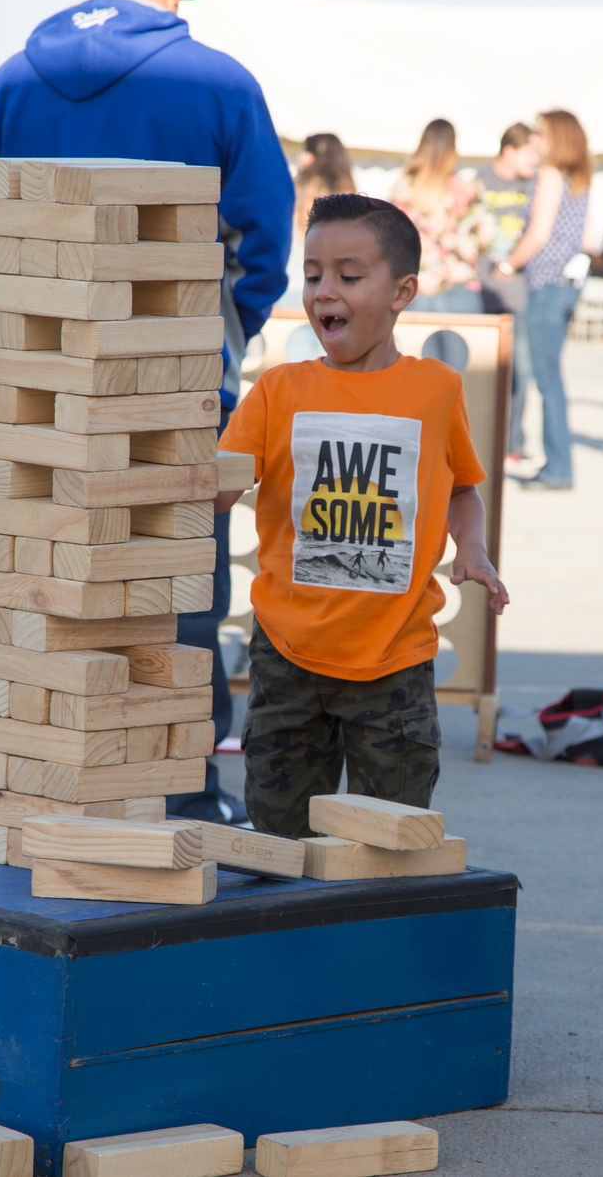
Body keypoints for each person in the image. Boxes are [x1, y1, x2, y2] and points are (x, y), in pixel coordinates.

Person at [0, 0, 294, 821]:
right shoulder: (218, 81)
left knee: (37, 562)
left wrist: (35, 344)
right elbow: (265, 235)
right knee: (170, 575)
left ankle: (18, 767)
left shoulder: (11, 79)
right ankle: (176, 786)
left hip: (44, 387)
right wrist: (213, 332)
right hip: (173, 387)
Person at [217, 194, 508, 836]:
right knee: (279, 837)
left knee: (391, 841)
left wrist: (475, 549)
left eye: (349, 276)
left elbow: (462, 487)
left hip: (394, 661)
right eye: (314, 274)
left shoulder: (436, 389)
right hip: (287, 657)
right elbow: (217, 485)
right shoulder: (278, 390)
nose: (326, 291)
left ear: (402, 290)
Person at [497, 110, 592, 490]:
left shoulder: (551, 174)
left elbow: (537, 234)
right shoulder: (580, 176)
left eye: (541, 131)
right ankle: (557, 465)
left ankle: (558, 469)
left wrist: (507, 265)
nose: (535, 138)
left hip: (547, 284)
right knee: (551, 378)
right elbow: (587, 237)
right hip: (567, 283)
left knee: (547, 379)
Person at [478, 123, 540, 462]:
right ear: (510, 150)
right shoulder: (479, 182)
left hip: (517, 294)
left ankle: (512, 442)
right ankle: (482, 440)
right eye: (530, 151)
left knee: (520, 370)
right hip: (481, 292)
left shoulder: (535, 187)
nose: (536, 160)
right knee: (481, 373)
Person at [392, 119, 495, 313]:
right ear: (453, 149)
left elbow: (390, 238)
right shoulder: (468, 188)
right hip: (459, 283)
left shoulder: (404, 188)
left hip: (417, 286)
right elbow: (487, 235)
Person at [279, 132, 356, 307]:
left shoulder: (294, 189)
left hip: (292, 288)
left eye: (305, 151)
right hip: (335, 294)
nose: (300, 157)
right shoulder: (351, 194)